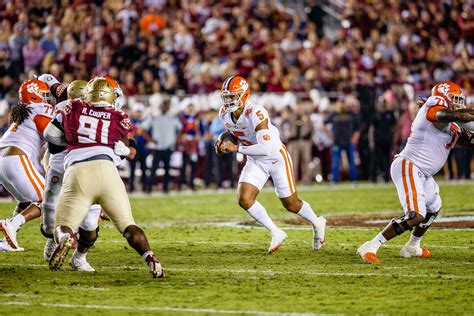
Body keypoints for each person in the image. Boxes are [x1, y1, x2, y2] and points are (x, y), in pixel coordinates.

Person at [44, 79, 164, 278]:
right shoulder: (119, 116)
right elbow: (133, 151)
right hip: (108, 173)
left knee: (63, 225)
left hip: (78, 171)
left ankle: (66, 238)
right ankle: (150, 258)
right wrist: (125, 150)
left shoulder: (73, 107)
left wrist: (73, 138)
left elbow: (50, 135)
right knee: (127, 224)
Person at [357, 82, 473, 264]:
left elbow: (469, 140)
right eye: (455, 100)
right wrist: (465, 115)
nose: (459, 104)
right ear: (444, 96)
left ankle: (412, 246)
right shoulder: (434, 105)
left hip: (423, 173)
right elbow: (440, 115)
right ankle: (371, 245)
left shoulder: (453, 125)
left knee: (433, 206)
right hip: (409, 165)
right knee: (416, 214)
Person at [216, 75, 326, 253]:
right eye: (226, 97)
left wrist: (236, 148)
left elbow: (265, 148)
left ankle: (317, 222)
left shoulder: (256, 112)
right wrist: (222, 145)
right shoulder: (224, 114)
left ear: (243, 95)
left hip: (275, 157)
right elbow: (233, 135)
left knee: (290, 203)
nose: (228, 101)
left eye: (232, 96)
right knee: (244, 199)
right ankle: (276, 232)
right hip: (255, 159)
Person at [0, 79, 54, 251]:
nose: (47, 99)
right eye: (44, 95)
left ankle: (5, 239)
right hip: (17, 158)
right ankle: (12, 224)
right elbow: (53, 134)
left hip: (4, 160)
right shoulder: (40, 108)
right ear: (35, 96)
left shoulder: (24, 110)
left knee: (26, 201)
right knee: (47, 199)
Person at [144, 100, 182, 193]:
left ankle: (165, 188)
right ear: (160, 107)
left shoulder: (172, 117)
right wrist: (150, 139)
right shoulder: (155, 117)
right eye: (163, 105)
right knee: (153, 169)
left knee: (167, 168)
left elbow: (180, 128)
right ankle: (148, 188)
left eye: (166, 106)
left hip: (168, 146)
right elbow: (144, 128)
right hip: (157, 147)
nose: (164, 107)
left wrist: (177, 140)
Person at [326, 98, 360, 183]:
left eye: (343, 103)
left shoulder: (351, 114)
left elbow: (357, 129)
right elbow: (323, 124)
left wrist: (355, 138)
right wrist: (330, 136)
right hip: (337, 142)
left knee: (352, 161)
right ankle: (335, 180)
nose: (341, 105)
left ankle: (353, 180)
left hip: (349, 142)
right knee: (336, 162)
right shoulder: (334, 114)